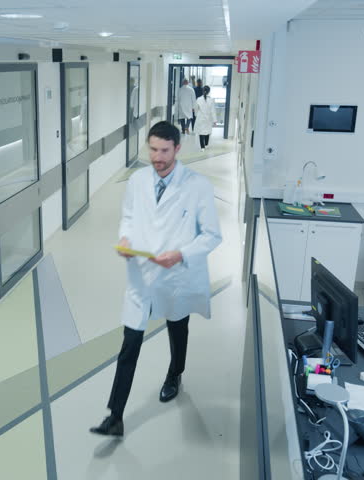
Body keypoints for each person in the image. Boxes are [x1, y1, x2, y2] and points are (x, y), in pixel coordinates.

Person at [90, 121, 222, 437]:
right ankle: (115, 416)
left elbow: (212, 236)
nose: (157, 157)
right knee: (130, 342)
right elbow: (130, 216)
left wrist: (180, 254)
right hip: (142, 275)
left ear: (177, 148)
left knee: (177, 328)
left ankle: (175, 374)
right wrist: (124, 238)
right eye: (152, 149)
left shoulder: (197, 186)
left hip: (176, 274)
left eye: (164, 150)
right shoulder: (137, 181)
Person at [194, 86, 216, 151]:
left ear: (203, 91)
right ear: (209, 92)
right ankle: (206, 144)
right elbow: (213, 111)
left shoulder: (198, 99)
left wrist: (196, 115)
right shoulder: (211, 100)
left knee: (201, 133)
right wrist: (214, 120)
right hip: (208, 119)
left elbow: (196, 109)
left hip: (200, 118)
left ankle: (202, 147)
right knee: (207, 132)